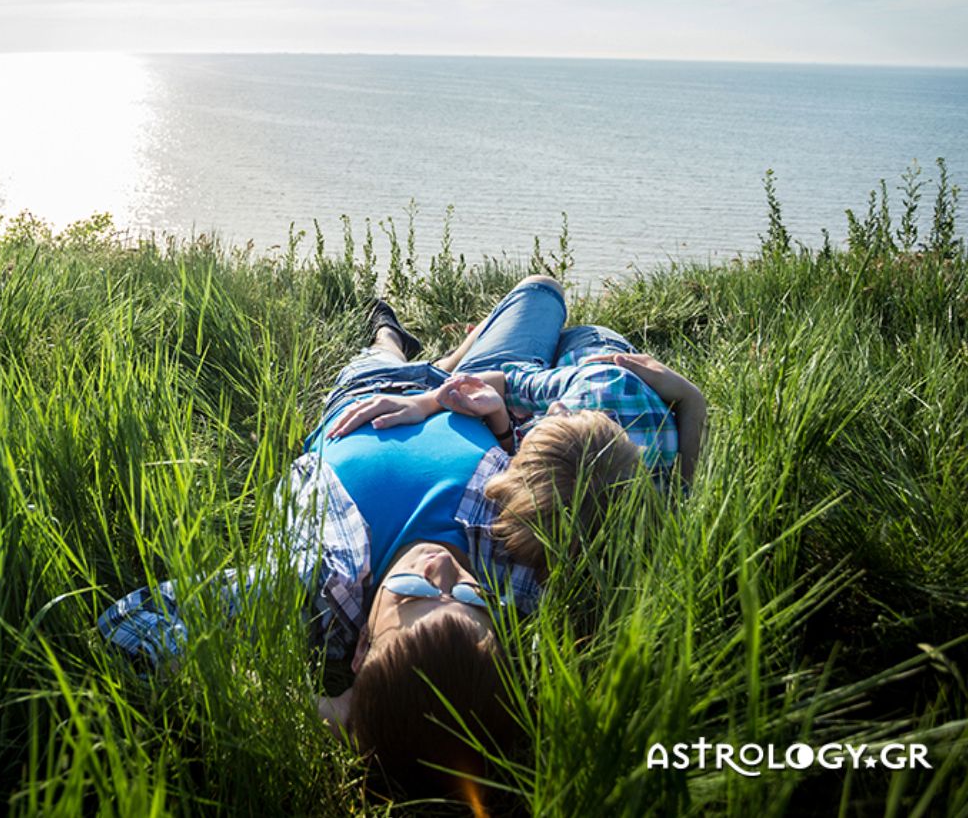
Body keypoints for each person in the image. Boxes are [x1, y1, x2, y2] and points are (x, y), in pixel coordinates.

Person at [97, 276, 705, 798]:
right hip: (481, 394)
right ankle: (453, 357)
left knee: (386, 346)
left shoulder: (316, 582)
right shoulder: (525, 577)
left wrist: (324, 712)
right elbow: (631, 509)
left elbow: (130, 624)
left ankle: (394, 336)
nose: (447, 572)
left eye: (415, 591)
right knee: (545, 296)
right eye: (470, 599)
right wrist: (466, 404)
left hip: (369, 396)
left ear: (360, 649)